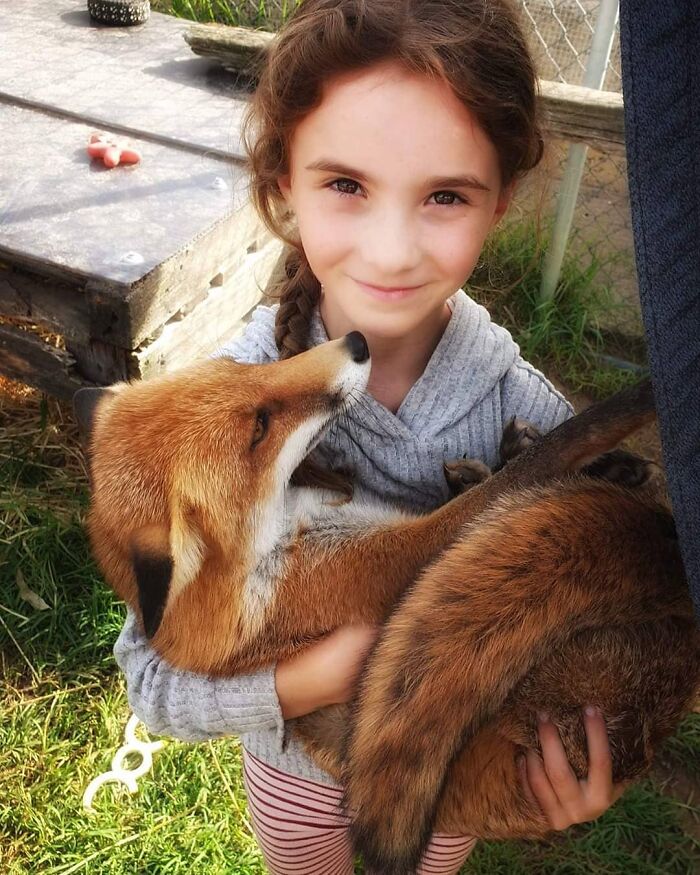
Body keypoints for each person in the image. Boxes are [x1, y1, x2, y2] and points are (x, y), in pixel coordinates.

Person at [114, 1, 625, 871]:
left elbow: (592, 614)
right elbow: (152, 680)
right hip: (292, 784)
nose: (390, 253)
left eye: (444, 196)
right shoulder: (213, 422)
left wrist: (573, 762)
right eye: (346, 185)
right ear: (283, 185)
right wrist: (299, 684)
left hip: (445, 783)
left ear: (499, 202)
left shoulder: (527, 416)